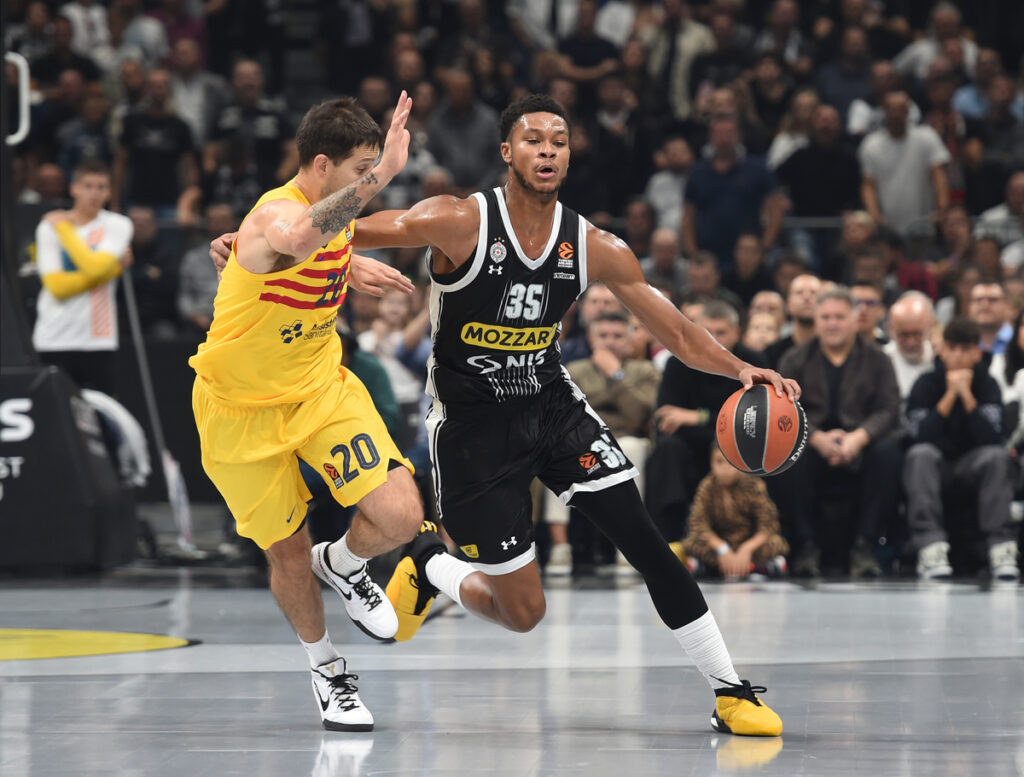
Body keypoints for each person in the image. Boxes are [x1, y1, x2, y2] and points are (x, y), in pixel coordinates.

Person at [343, 94, 798, 736]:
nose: (548, 150)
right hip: (474, 428)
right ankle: (430, 566)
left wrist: (743, 369)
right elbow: (332, 225)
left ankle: (730, 692)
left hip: (553, 408)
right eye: (534, 140)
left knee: (647, 544)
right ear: (507, 153)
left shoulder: (594, 246)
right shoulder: (456, 220)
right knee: (525, 613)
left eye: (559, 140)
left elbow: (680, 334)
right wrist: (261, 234)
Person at [191, 95, 424, 732]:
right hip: (240, 409)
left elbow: (319, 242)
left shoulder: (332, 212)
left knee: (402, 515)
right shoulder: (274, 213)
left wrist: (348, 265)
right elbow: (291, 237)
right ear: (323, 166)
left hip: (320, 386)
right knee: (288, 553)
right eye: (359, 172)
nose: (366, 185)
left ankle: (345, 563)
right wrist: (386, 174)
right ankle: (326, 669)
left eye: (372, 169)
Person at [904, 318, 1019, 581]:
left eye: (965, 349)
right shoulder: (926, 383)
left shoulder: (987, 384)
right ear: (942, 350)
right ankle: (930, 547)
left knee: (997, 458)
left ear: (977, 352)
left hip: (973, 465)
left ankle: (1000, 548)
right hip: (936, 466)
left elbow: (991, 437)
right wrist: (949, 396)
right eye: (952, 348)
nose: (957, 356)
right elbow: (920, 435)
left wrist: (966, 395)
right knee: (919, 455)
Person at [32, 160, 133, 395]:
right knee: (56, 417)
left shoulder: (117, 224)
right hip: (53, 336)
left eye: (101, 187)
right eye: (88, 186)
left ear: (109, 192)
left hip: (98, 338)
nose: (94, 193)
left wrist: (64, 230)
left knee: (103, 417)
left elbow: (95, 269)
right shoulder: (47, 228)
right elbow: (57, 286)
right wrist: (114, 269)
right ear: (73, 188)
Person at [681, 445, 789, 580]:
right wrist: (722, 548)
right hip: (720, 545)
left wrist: (747, 549)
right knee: (691, 543)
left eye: (731, 462)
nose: (725, 468)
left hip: (749, 544)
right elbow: (697, 523)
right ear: (711, 463)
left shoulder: (753, 484)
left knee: (776, 543)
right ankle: (739, 568)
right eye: (719, 461)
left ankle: (753, 566)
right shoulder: (707, 487)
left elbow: (768, 524)